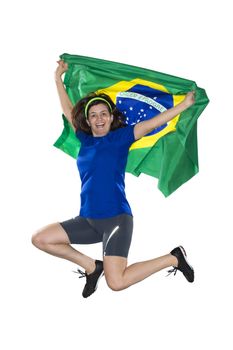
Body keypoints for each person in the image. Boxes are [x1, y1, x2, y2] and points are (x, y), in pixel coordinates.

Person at [32, 60, 195, 298]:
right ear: (87, 120)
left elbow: (154, 122)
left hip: (116, 219)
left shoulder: (122, 137)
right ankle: (91, 267)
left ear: (110, 117)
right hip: (87, 220)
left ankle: (174, 258)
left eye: (103, 114)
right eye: (93, 115)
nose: (99, 119)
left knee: (116, 283)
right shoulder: (84, 140)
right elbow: (68, 110)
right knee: (41, 239)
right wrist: (57, 78)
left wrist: (184, 105)